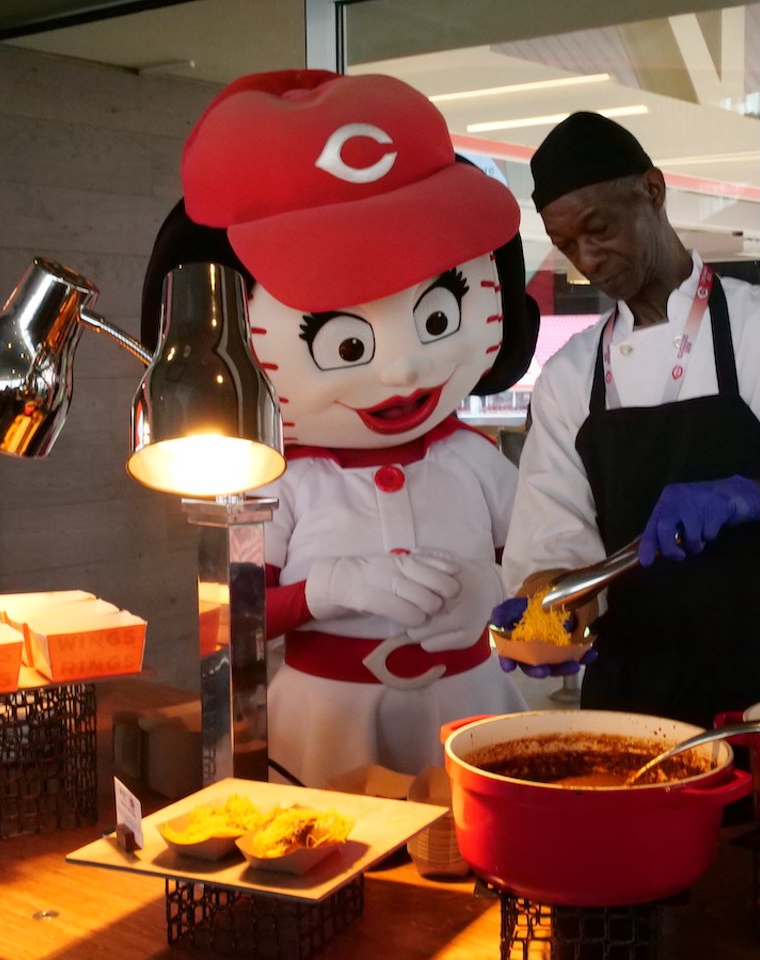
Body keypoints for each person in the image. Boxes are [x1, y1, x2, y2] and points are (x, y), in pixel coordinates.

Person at [163, 69, 540, 786]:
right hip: (326, 727)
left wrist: (495, 596)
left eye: (436, 320)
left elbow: (541, 574)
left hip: (472, 711)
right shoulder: (277, 482)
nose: (403, 371)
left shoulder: (477, 460)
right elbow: (227, 620)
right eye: (348, 344)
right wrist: (328, 590)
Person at [495, 112, 760, 728]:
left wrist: (759, 498)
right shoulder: (569, 378)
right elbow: (553, 543)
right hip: (630, 711)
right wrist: (551, 609)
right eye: (567, 246)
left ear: (653, 189)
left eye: (600, 228)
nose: (588, 258)